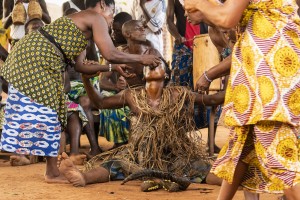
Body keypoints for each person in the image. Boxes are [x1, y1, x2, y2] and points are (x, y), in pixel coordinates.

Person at [0, 0, 160, 183]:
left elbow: (80, 65)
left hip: (30, 55)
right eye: (111, 11)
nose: (110, 18)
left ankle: (51, 171)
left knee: (56, 108)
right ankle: (50, 172)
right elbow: (110, 53)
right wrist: (142, 58)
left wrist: (113, 68)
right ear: (102, 5)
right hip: (35, 58)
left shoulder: (79, 26)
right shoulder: (95, 17)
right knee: (51, 108)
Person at [185, 0, 300, 199]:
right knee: (241, 149)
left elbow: (227, 18)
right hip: (265, 70)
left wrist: (199, 4)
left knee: (281, 162)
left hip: (268, 75)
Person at [58, 58, 224, 189]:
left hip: (174, 154)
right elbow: (100, 103)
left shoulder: (178, 93)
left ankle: (230, 181)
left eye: (157, 62)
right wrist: (86, 80)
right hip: (138, 155)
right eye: (148, 64)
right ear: (143, 74)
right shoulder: (132, 95)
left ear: (166, 74)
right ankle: (83, 177)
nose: (152, 64)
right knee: (113, 164)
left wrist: (241, 84)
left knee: (200, 167)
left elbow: (211, 99)